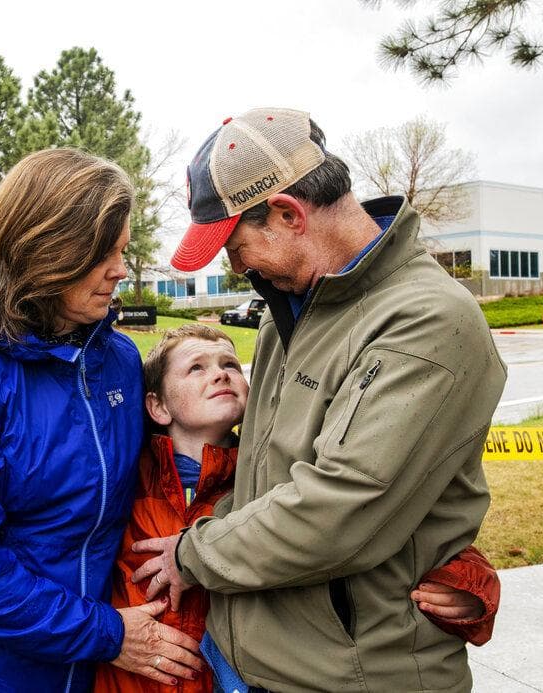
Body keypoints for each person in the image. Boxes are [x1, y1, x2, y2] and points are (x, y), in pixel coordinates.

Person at [0, 324, 500, 692]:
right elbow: (50, 492)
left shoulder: (274, 477)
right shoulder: (128, 472)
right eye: (196, 368)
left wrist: (471, 585)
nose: (220, 374)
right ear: (155, 405)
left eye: (231, 364)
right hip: (122, 677)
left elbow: (368, 521)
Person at [133, 108, 506, 692]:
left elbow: (341, 507)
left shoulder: (425, 319)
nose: (238, 267)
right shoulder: (288, 312)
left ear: (288, 213)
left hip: (351, 676)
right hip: (258, 666)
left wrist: (193, 555)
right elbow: (265, 478)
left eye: (235, 245)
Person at [0, 148, 205, 692]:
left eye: (123, 250)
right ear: (49, 250)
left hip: (76, 665)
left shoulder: (119, 360)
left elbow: (166, 471)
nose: (121, 270)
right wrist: (108, 635)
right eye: (104, 253)